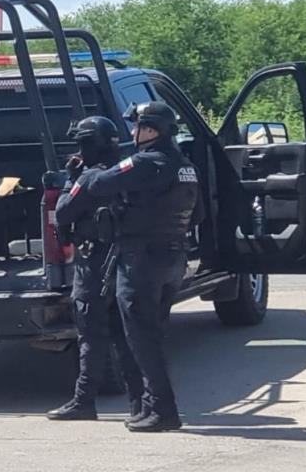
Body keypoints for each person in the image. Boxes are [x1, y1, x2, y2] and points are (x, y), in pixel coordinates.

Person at [84, 101, 204, 432]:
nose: (133, 132)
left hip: (142, 261)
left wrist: (90, 170)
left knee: (142, 340)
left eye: (137, 127)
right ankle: (148, 406)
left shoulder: (145, 162)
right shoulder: (186, 165)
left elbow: (99, 184)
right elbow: (199, 215)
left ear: (151, 129)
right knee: (152, 335)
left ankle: (164, 411)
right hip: (174, 258)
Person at [46, 116, 144, 421]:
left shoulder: (88, 178)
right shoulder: (129, 172)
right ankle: (140, 402)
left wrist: (68, 179)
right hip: (126, 262)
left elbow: (62, 213)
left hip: (94, 263)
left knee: (90, 334)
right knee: (126, 335)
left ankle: (83, 401)